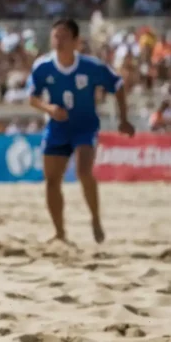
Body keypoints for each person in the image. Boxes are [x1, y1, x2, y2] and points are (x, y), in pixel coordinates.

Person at [27, 18, 135, 244]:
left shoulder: (91, 66)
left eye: (64, 37)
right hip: (57, 128)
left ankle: (95, 218)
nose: (58, 41)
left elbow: (117, 85)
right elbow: (32, 97)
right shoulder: (43, 66)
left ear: (76, 41)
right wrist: (49, 108)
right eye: (55, 36)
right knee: (51, 181)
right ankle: (60, 233)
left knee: (84, 172)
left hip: (85, 128)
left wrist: (123, 119)